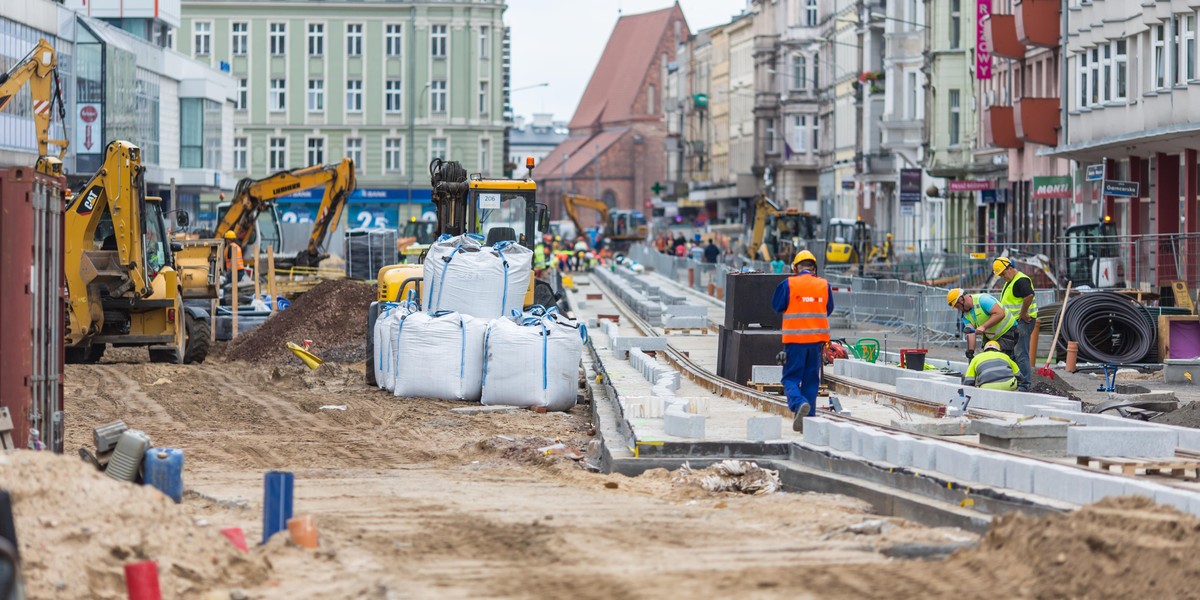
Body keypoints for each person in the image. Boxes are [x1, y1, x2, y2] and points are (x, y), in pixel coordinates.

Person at [772, 250, 834, 432]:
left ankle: (799, 403)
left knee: (790, 378)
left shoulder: (788, 284)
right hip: (816, 344)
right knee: (811, 381)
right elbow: (827, 309)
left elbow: (777, 306)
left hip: (795, 342)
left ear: (795, 268)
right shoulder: (824, 285)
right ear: (814, 269)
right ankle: (809, 423)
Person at [993, 257, 1037, 391]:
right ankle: (1016, 381)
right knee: (1012, 353)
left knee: (1020, 353)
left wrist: (1023, 313)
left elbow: (1029, 295)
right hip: (1014, 323)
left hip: (1023, 321)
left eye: (1003, 273)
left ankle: (1025, 384)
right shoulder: (1011, 281)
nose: (1002, 277)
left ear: (1010, 268)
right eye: (1000, 275)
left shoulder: (1020, 280)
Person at [947, 288, 1018, 361]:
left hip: (1008, 331)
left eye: (958, 306)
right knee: (990, 360)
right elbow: (971, 332)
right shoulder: (965, 314)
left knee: (1005, 360)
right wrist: (970, 351)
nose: (959, 309)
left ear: (961, 300)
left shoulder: (983, 300)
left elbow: (1000, 313)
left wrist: (983, 327)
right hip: (993, 336)